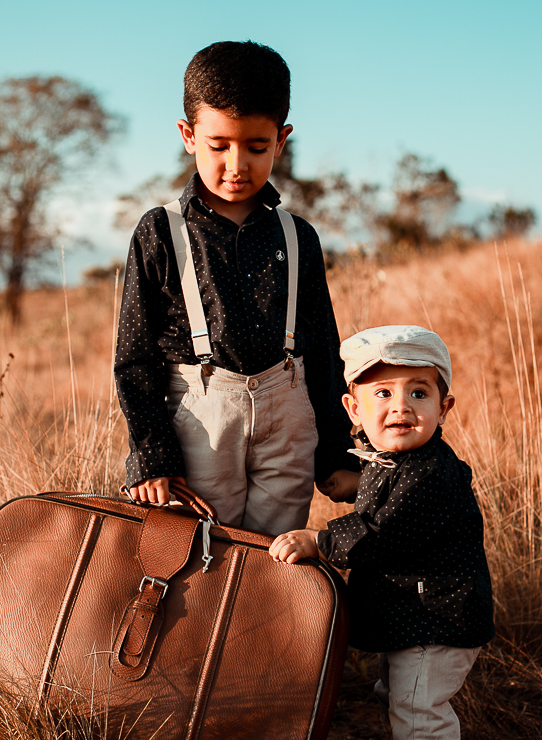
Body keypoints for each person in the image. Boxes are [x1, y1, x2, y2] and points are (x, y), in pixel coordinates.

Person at [113, 40, 359, 533]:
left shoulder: (298, 236)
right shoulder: (160, 232)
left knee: (274, 562)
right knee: (200, 557)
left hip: (288, 422)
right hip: (201, 426)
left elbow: (324, 351)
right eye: (218, 145)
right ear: (188, 135)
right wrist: (154, 456)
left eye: (256, 147)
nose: (236, 165)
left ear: (282, 140)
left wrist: (335, 452)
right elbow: (135, 358)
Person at [270, 325, 495, 740]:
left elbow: (382, 531)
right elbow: (387, 486)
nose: (401, 406)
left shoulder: (431, 473)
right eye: (383, 393)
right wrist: (356, 484)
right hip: (415, 617)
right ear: (354, 408)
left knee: (420, 709)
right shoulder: (393, 461)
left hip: (436, 621)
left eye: (419, 392)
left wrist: (320, 540)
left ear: (443, 407)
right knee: (400, 696)